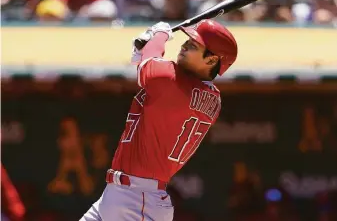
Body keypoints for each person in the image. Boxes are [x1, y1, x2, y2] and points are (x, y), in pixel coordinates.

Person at [80, 19, 238, 221]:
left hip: (138, 200)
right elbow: (151, 69)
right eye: (186, 41)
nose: (183, 46)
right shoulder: (211, 97)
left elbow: (152, 68)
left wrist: (160, 34)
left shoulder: (171, 81)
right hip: (127, 196)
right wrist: (145, 51)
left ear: (211, 60)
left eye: (193, 45)